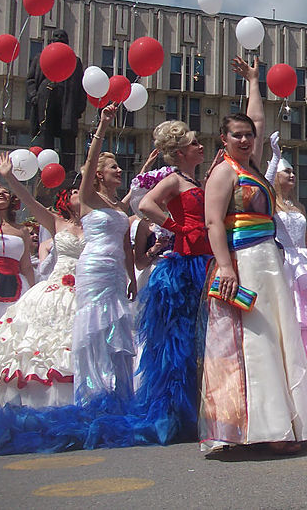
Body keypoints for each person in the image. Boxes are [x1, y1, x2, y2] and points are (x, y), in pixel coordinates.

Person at [200, 57, 307, 454]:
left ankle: (281, 422)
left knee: (277, 336)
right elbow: (214, 222)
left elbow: (260, 123)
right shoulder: (224, 173)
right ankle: (256, 427)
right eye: (237, 136)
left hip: (269, 261)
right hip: (242, 261)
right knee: (251, 341)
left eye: (248, 136)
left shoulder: (253, 169)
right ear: (223, 140)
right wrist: (227, 267)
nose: (246, 140)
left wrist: (252, 82)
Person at [130, 120, 211, 443]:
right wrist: (176, 228)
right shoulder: (174, 179)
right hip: (182, 268)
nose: (201, 146)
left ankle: (198, 411)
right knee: (177, 344)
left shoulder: (196, 179)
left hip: (203, 263)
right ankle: (175, 415)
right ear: (181, 152)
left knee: (200, 342)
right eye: (195, 143)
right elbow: (145, 205)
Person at [0, 158, 84, 408]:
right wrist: (10, 178)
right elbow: (30, 201)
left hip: (84, 287)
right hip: (50, 289)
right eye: (73, 191)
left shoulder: (96, 224)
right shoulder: (56, 222)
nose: (78, 194)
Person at [73, 103, 137, 405]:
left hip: (116, 272)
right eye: (114, 167)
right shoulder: (88, 199)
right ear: (98, 174)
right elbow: (90, 156)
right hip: (94, 268)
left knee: (117, 329)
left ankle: (120, 395)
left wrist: (131, 277)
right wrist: (103, 125)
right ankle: (93, 394)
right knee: (95, 327)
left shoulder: (118, 208)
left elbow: (126, 244)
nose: (120, 170)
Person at [264, 134, 307, 380]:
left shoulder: (298, 206)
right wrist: (274, 158)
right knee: (289, 317)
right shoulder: (270, 204)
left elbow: (306, 241)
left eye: (293, 172)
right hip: (284, 264)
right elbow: (265, 186)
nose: (292, 175)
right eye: (286, 171)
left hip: (305, 264)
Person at [0, 182, 35, 405]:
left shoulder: (21, 230)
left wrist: (33, 295)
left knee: (10, 338)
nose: (2, 194)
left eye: (6, 192)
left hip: (17, 287)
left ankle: (4, 396)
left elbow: (27, 266)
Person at [26, 28, 86, 172]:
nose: (59, 39)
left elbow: (81, 86)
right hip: (45, 97)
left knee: (68, 135)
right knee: (46, 132)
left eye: (62, 37)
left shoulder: (75, 61)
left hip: (67, 101)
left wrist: (78, 108)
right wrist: (34, 96)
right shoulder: (40, 58)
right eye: (56, 37)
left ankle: (69, 171)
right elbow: (30, 80)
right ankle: (46, 168)